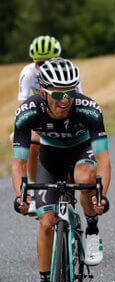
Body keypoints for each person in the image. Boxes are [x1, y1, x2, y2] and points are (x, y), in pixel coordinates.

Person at [12, 58, 111, 282]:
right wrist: (22, 194)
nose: (65, 99)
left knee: (85, 177)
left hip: (82, 153)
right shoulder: (28, 111)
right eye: (58, 94)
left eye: (70, 92)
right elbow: (19, 162)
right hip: (50, 159)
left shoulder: (88, 108)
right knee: (45, 224)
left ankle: (91, 229)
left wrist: (100, 194)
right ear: (42, 92)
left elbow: (102, 157)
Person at [16, 35, 83, 215]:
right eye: (39, 63)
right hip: (40, 112)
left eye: (47, 62)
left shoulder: (67, 71)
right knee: (32, 139)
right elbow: (22, 104)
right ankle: (32, 188)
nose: (42, 67)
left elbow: (78, 100)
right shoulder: (28, 72)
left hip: (62, 111)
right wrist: (23, 127)